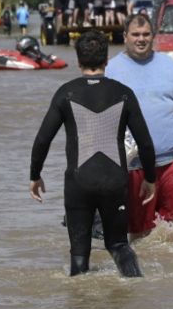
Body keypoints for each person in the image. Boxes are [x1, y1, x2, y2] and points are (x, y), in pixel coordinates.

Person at [29, 30, 156, 278]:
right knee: (119, 244)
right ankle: (136, 291)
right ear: (106, 60)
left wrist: (35, 175)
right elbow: (146, 143)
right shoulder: (123, 92)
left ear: (78, 61)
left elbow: (42, 139)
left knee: (79, 254)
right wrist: (150, 179)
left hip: (78, 183)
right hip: (114, 182)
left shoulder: (66, 92)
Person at [106, 13, 173, 235]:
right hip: (134, 166)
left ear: (154, 37)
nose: (141, 39)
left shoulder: (172, 67)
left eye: (146, 34)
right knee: (140, 234)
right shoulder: (110, 71)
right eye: (135, 35)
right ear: (125, 37)